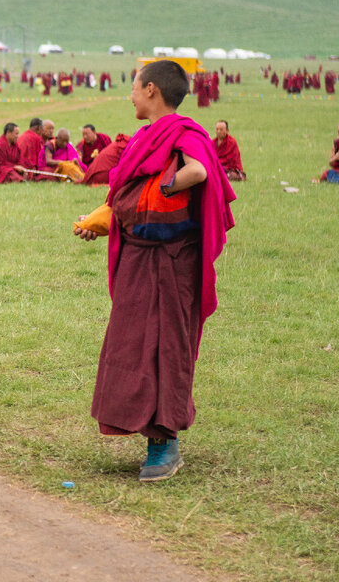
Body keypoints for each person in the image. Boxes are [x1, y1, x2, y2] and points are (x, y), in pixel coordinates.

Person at [74, 59, 235, 482]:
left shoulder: (183, 133)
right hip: (138, 254)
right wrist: (106, 219)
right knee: (131, 343)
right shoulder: (145, 136)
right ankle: (144, 429)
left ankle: (165, 443)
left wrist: (165, 186)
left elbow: (198, 171)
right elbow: (127, 193)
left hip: (172, 261)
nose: (130, 94)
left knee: (166, 347)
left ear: (151, 91)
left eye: (133, 87)